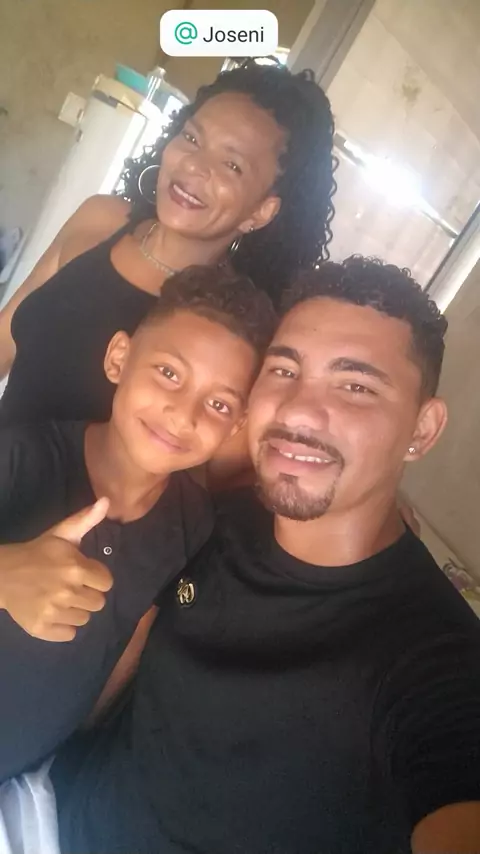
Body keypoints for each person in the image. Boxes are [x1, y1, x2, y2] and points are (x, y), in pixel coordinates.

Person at [54, 257, 480, 854]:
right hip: (43, 807)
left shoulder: (437, 661)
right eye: (284, 370)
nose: (297, 410)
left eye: (356, 386)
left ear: (423, 430)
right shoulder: (215, 520)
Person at [0, 61, 336, 490]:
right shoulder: (100, 219)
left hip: (61, 525)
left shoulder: (233, 330)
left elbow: (202, 484)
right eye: (192, 138)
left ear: (261, 211)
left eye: (232, 165)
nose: (195, 166)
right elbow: (6, 339)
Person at [0, 264, 276, 784]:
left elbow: (134, 633)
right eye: (169, 373)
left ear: (236, 425)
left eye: (218, 403)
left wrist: (84, 731)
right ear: (119, 359)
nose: (183, 414)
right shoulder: (21, 458)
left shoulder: (193, 521)